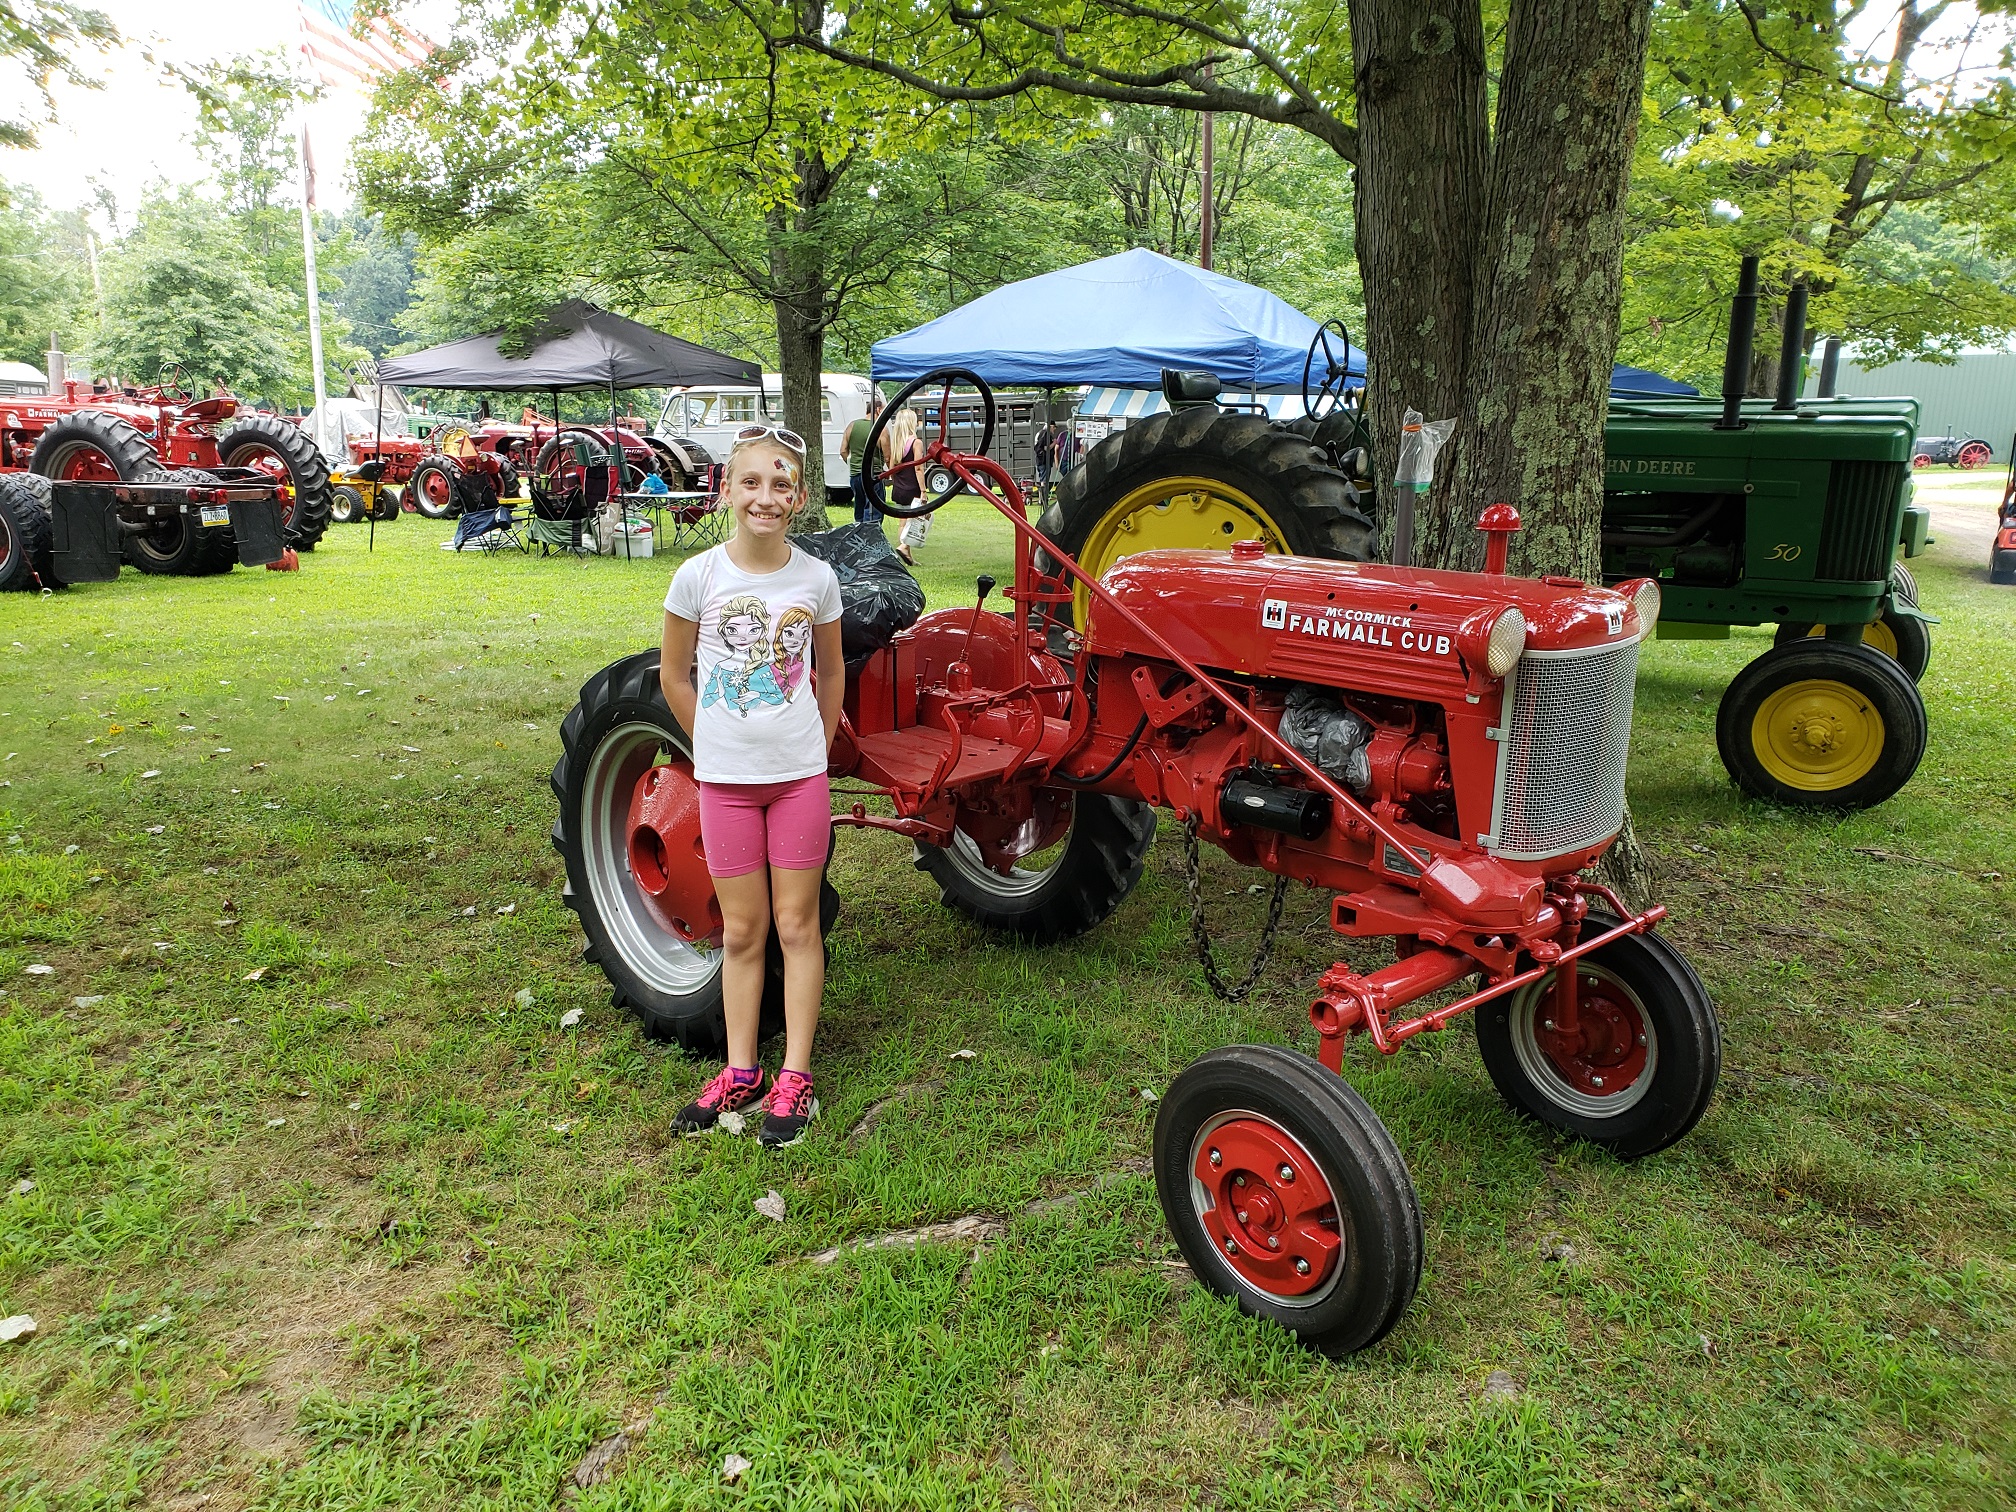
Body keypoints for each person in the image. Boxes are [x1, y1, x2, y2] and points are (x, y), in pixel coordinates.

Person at [660, 423, 845, 1149]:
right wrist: (708, 739)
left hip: (798, 781)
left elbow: (830, 674)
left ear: (798, 497)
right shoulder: (698, 577)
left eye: (781, 484)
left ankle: (794, 1075)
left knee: (797, 926)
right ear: (728, 489)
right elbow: (675, 673)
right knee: (742, 930)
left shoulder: (817, 580)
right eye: (751, 483)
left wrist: (818, 745)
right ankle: (741, 1069)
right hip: (727, 783)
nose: (765, 497)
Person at [886, 407, 927, 564]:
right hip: (912, 488)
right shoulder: (916, 443)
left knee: (903, 522)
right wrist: (923, 490)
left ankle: (908, 555)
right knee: (914, 521)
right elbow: (918, 468)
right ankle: (903, 546)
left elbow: (891, 469)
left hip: (899, 488)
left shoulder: (896, 443)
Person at [842, 393, 884, 524]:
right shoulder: (879, 429)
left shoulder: (852, 426)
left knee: (859, 509)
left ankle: (858, 536)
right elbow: (888, 456)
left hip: (855, 475)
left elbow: (843, 451)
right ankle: (870, 538)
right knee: (874, 511)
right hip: (874, 476)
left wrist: (853, 464)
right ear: (877, 410)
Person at [1033, 418, 1060, 506]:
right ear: (1050, 426)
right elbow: (1046, 448)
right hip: (1044, 460)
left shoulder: (1039, 433)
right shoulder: (1046, 434)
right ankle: (1043, 500)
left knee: (1042, 479)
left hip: (1040, 460)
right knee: (1044, 480)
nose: (1054, 429)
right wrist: (1054, 443)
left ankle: (1042, 499)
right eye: (1054, 427)